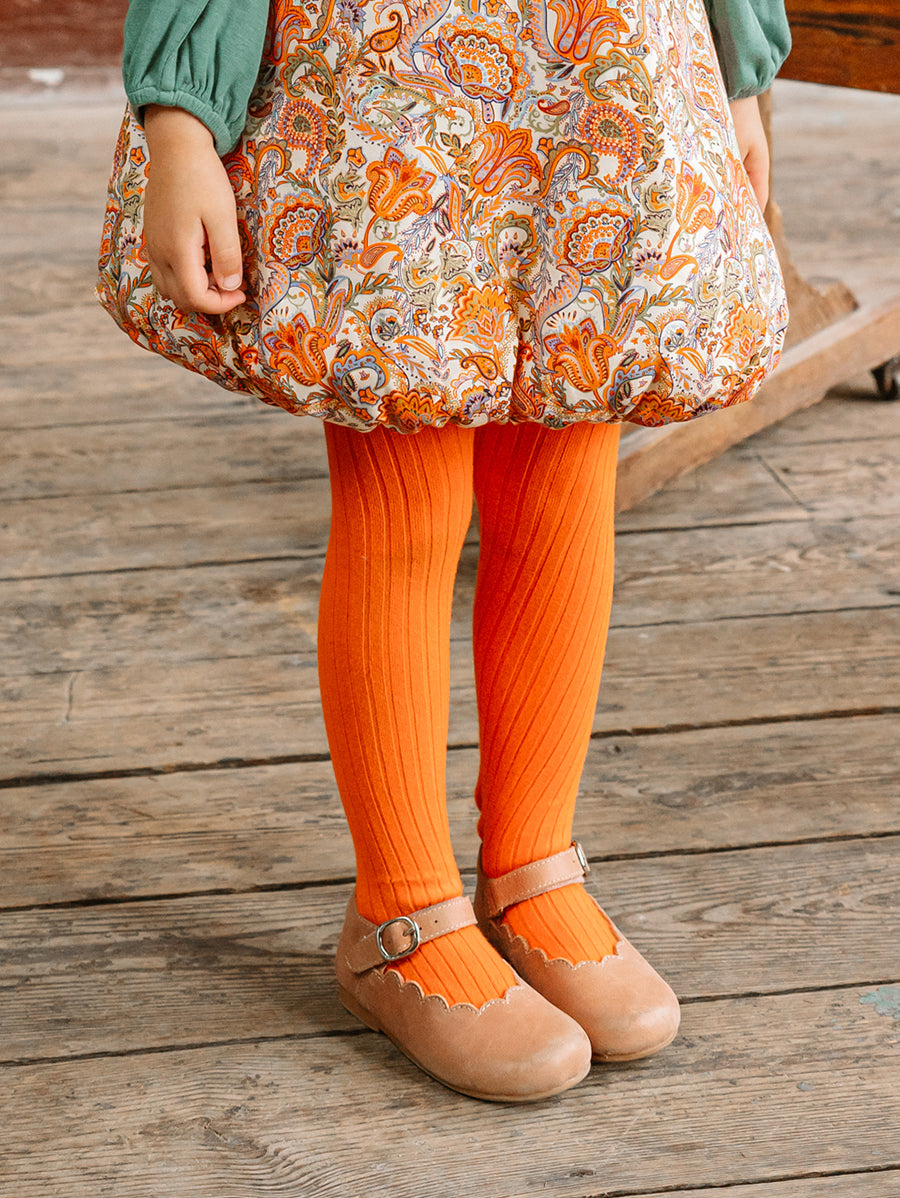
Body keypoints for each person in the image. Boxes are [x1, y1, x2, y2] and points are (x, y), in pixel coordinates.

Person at [110, 0, 791, 1101]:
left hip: (610, 65)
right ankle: (400, 908)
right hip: (395, 73)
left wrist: (739, 68)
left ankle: (532, 866)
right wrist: (181, 117)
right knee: (406, 487)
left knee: (567, 470)